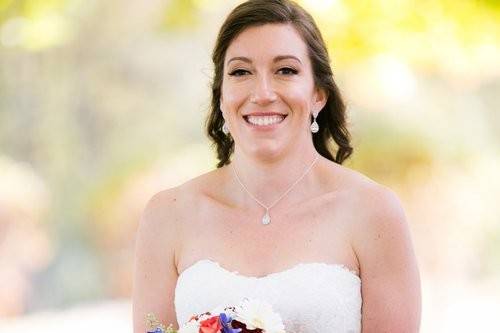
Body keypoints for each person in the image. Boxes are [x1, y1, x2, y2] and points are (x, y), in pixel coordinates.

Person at [132, 0, 421, 332]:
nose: (263, 93)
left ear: (319, 94)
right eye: (241, 72)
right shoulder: (167, 215)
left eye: (286, 70)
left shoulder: (374, 212)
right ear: (222, 96)